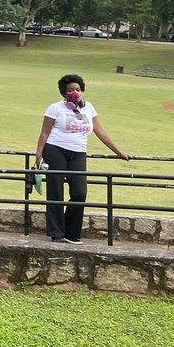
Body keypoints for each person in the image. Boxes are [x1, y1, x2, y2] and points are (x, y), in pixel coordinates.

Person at [34, 74, 130, 244]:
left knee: (80, 192)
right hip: (55, 149)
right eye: (70, 90)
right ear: (64, 93)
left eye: (78, 90)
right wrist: (39, 155)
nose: (75, 93)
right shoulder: (55, 108)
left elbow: (100, 132)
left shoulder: (89, 108)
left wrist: (118, 152)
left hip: (78, 153)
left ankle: (71, 233)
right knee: (55, 191)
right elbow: (44, 133)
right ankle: (56, 233)